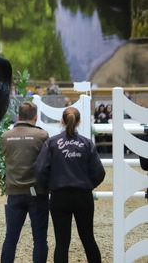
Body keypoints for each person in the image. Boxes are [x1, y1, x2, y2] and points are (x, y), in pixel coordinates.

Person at [35, 106, 105, 263]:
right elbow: (99, 172)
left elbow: (40, 170)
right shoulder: (87, 144)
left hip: (59, 196)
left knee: (61, 243)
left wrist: (50, 186)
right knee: (88, 239)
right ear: (78, 122)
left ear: (62, 121)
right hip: (83, 196)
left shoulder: (52, 143)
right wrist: (88, 184)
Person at [0, 101, 50, 263]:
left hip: (14, 192)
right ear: (35, 118)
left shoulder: (6, 136)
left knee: (11, 238)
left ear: (18, 116)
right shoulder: (42, 136)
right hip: (37, 192)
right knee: (40, 239)